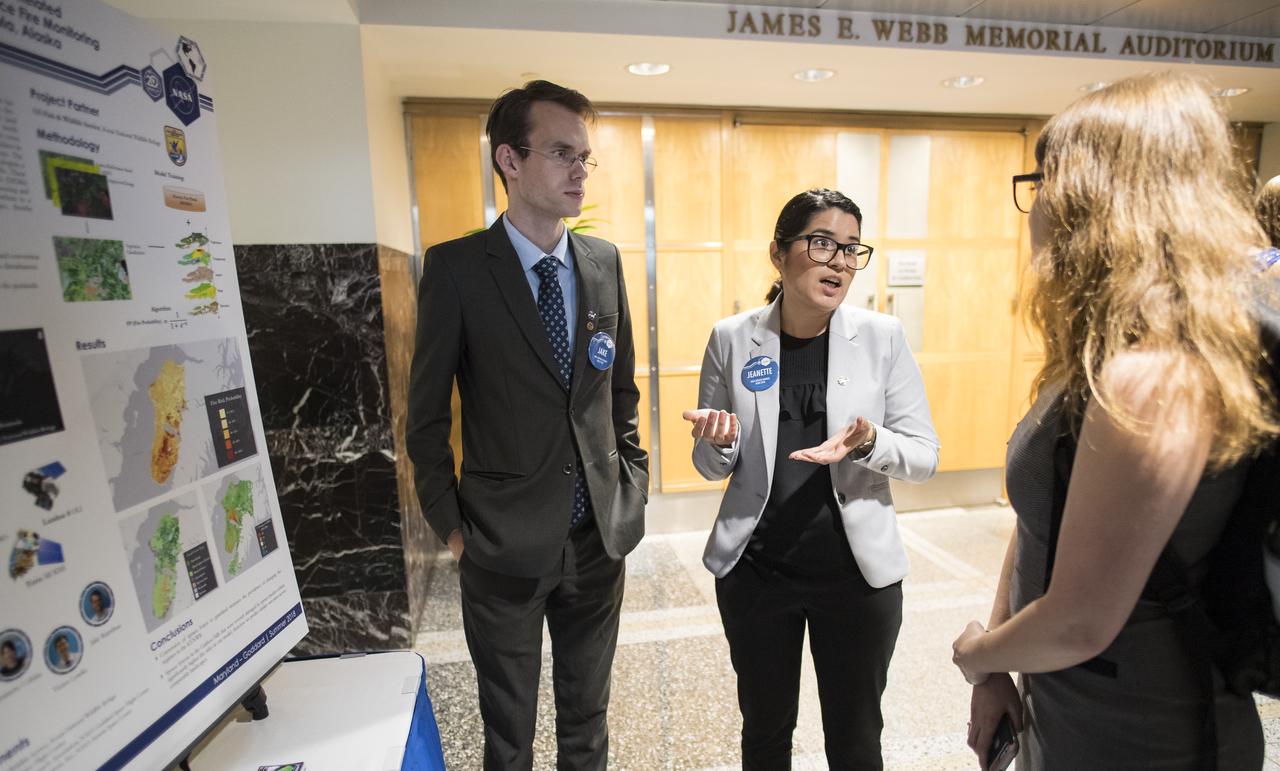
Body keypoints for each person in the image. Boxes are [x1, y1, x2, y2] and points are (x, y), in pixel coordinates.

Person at [951, 72, 1280, 770]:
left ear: (1090, 198)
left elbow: (1078, 622)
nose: (1034, 207)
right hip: (1068, 703)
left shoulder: (1156, 373)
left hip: (1143, 730)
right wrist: (1002, 661)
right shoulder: (1111, 347)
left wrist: (977, 652)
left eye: (1042, 182)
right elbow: (1044, 518)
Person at [406, 80, 647, 771]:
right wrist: (454, 532)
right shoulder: (457, 270)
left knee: (588, 722)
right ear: (509, 160)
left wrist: (630, 488)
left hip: (596, 541)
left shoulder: (602, 264)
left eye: (584, 157)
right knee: (508, 733)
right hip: (500, 547)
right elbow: (425, 418)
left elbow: (620, 393)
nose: (580, 171)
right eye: (561, 153)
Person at [683, 188, 940, 769]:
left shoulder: (882, 337)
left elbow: (924, 456)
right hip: (757, 572)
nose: (840, 262)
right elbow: (710, 464)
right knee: (765, 731)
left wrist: (868, 443)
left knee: (855, 739)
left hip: (857, 578)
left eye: (851, 248)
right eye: (822, 243)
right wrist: (718, 443)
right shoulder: (732, 338)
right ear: (779, 253)